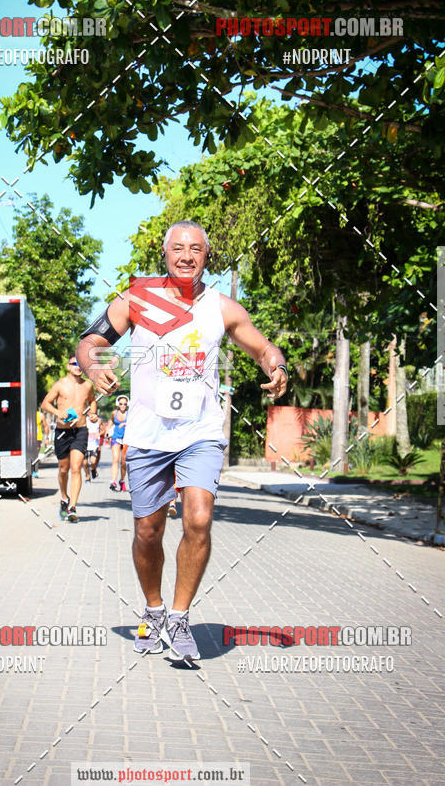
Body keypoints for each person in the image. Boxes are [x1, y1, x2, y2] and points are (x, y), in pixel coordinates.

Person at [76, 220, 288, 662]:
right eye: (178, 248)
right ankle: (153, 610)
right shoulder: (137, 299)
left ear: (207, 256)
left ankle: (179, 616)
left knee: (198, 519)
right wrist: (95, 367)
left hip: (201, 431)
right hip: (149, 434)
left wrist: (277, 365)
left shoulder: (222, 307)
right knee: (147, 531)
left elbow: (263, 347)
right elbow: (90, 340)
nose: (186, 256)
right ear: (165, 253)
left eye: (196, 249)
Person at [41, 356, 96, 522]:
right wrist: (58, 413)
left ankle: (72, 507)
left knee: (76, 468)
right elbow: (45, 404)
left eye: (81, 364)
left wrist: (93, 414)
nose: (78, 367)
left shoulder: (88, 385)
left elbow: (92, 401)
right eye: (74, 364)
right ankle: (64, 498)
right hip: (62, 432)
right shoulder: (60, 384)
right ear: (68, 366)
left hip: (80, 430)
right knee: (63, 469)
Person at [107, 395, 129, 491]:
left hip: (126, 439)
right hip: (116, 438)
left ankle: (122, 480)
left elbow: (135, 424)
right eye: (121, 404)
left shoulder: (130, 414)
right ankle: (113, 481)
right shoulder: (114, 413)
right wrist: (107, 433)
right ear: (117, 404)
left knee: (123, 462)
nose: (123, 405)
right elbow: (110, 422)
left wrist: (125, 423)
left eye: (125, 404)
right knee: (115, 459)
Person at [84, 411, 102, 480]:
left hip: (94, 444)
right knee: (85, 463)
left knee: (93, 461)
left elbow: (103, 430)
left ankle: (93, 469)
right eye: (89, 411)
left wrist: (99, 434)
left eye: (92, 411)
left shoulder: (99, 420)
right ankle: (87, 476)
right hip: (85, 444)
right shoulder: (84, 420)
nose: (90, 412)